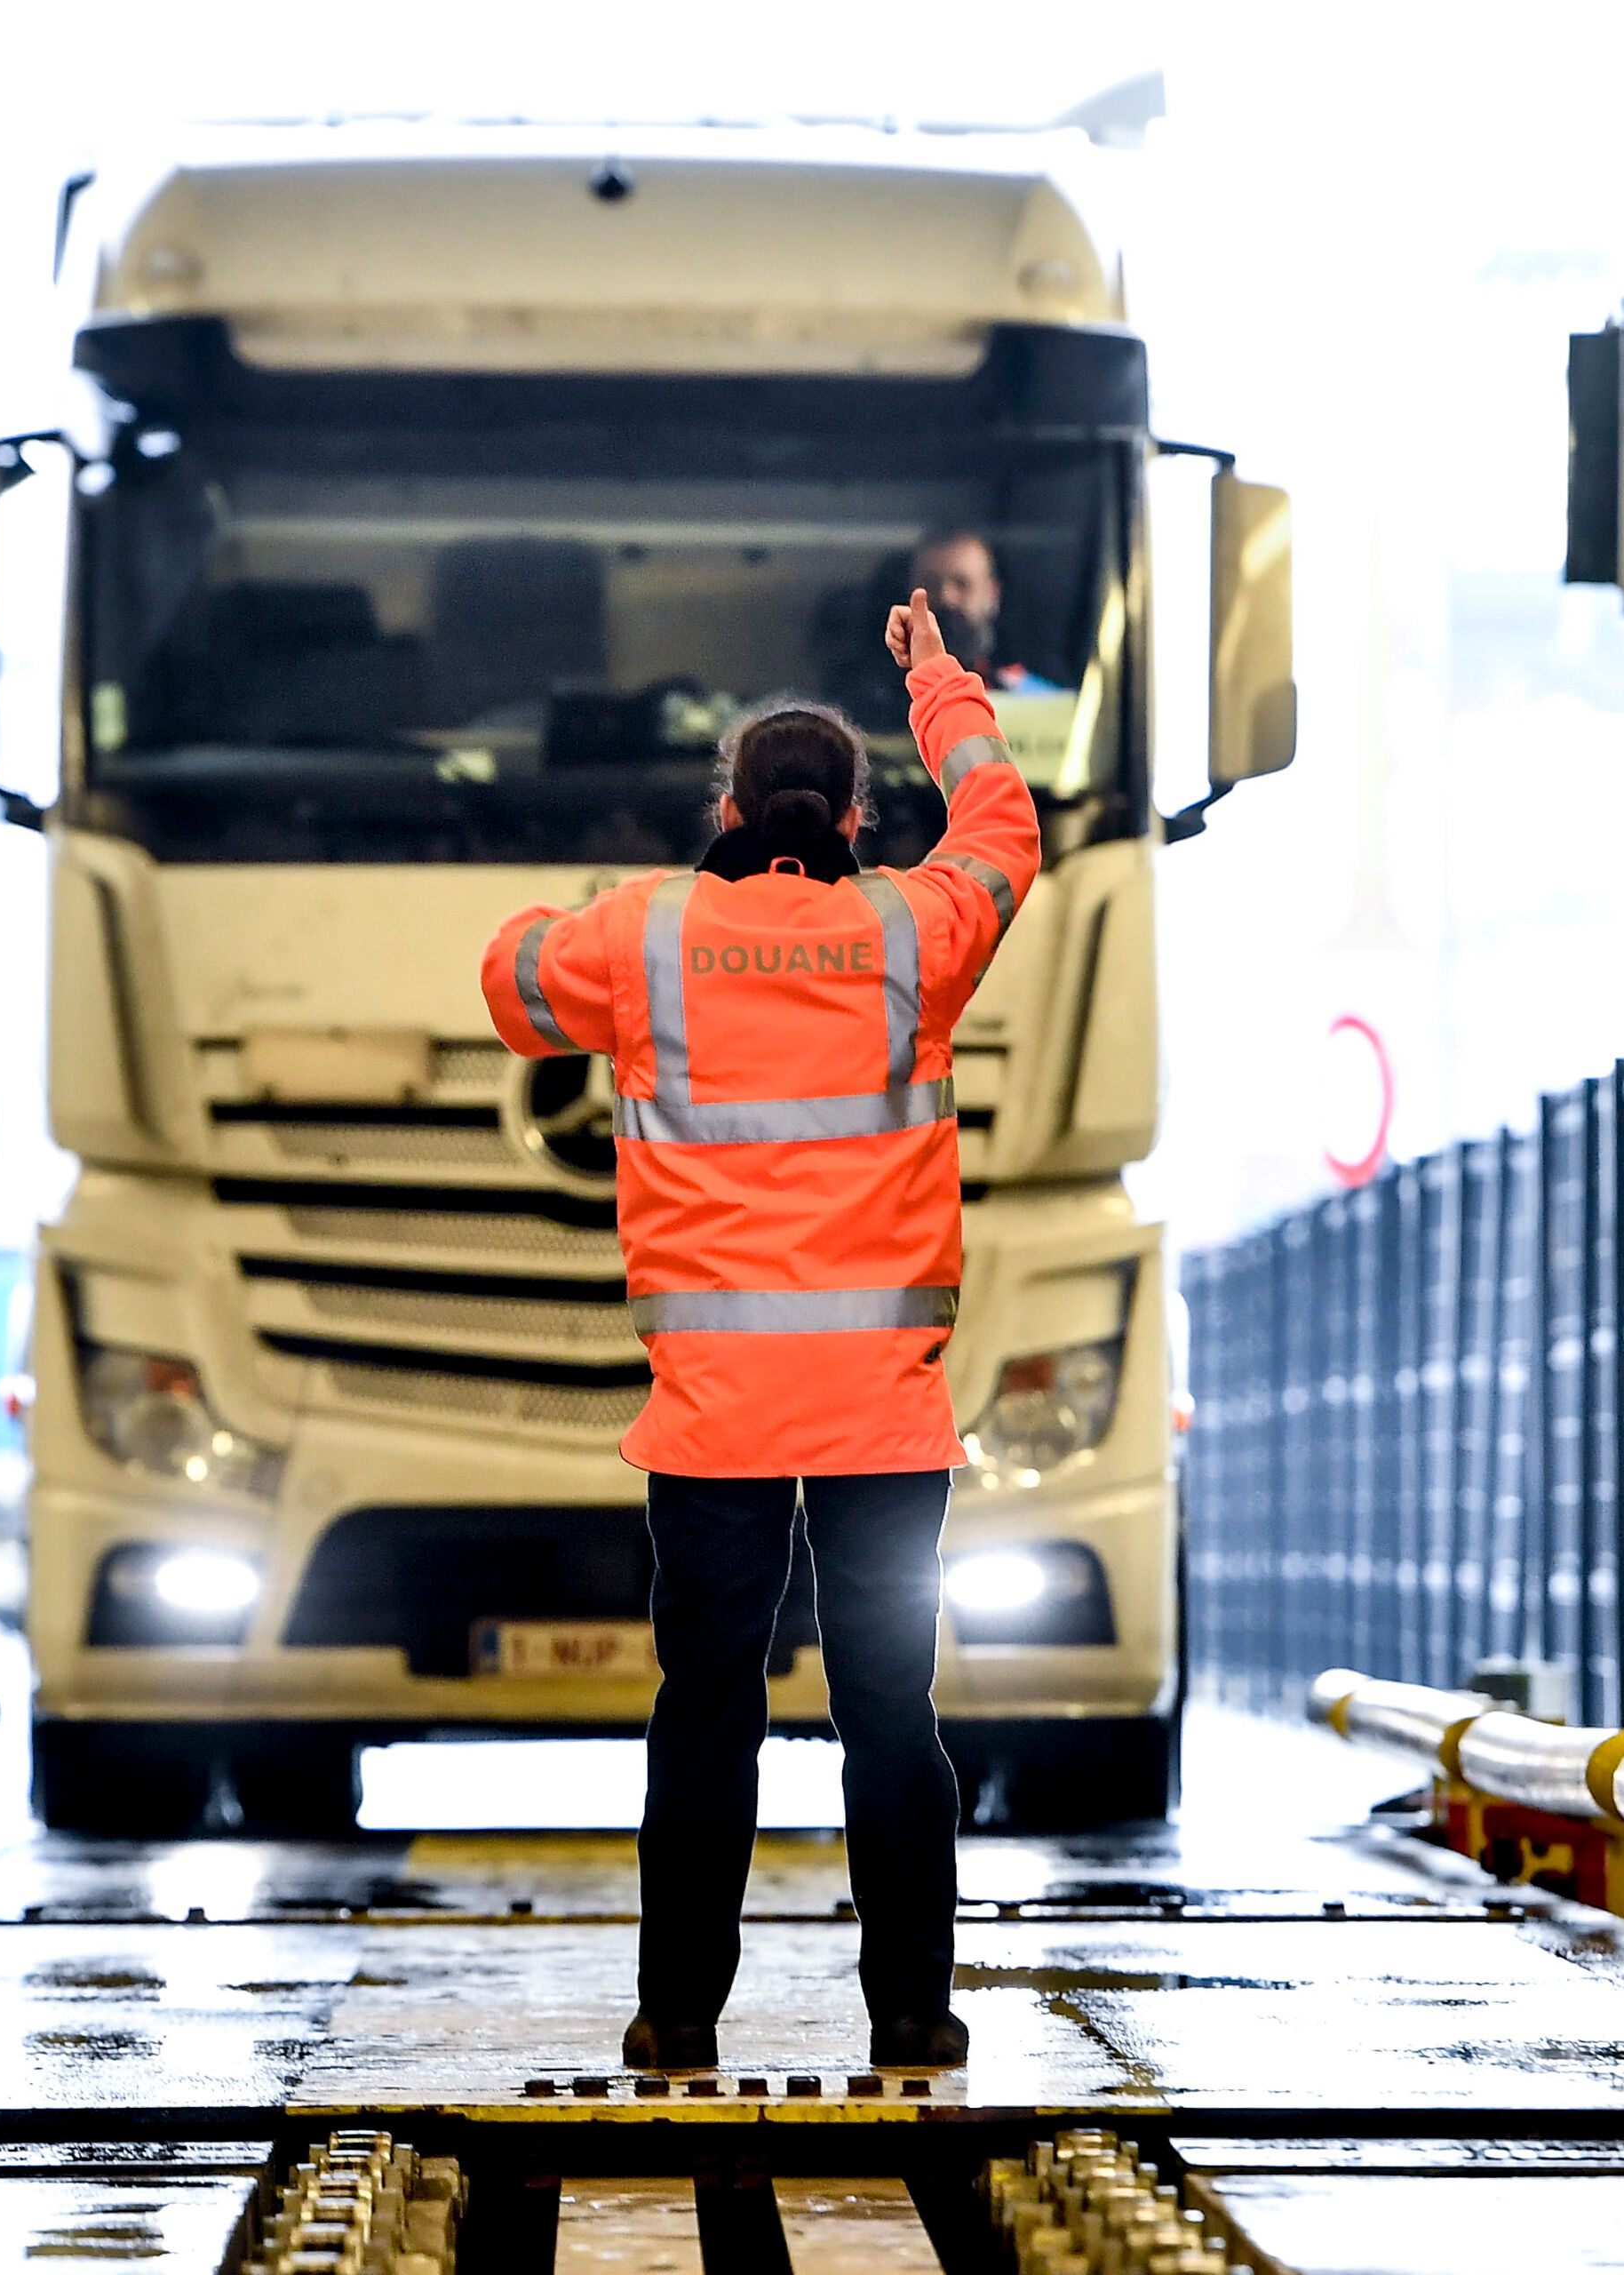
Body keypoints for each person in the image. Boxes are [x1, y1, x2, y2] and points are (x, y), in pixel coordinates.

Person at [478, 587, 1039, 2074]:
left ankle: (678, 2018)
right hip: (883, 1417)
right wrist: (942, 688)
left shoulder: (647, 934)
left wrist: (575, 918)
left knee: (707, 1710)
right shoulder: (917, 930)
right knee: (891, 1714)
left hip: (715, 1415)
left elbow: (512, 986)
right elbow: (1003, 828)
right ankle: (912, 2012)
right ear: (855, 817)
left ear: (729, 807)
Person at [910, 528, 1049, 692]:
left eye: (962, 584)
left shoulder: (1031, 696)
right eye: (931, 584)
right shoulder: (887, 693)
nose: (946, 598)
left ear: (992, 594)